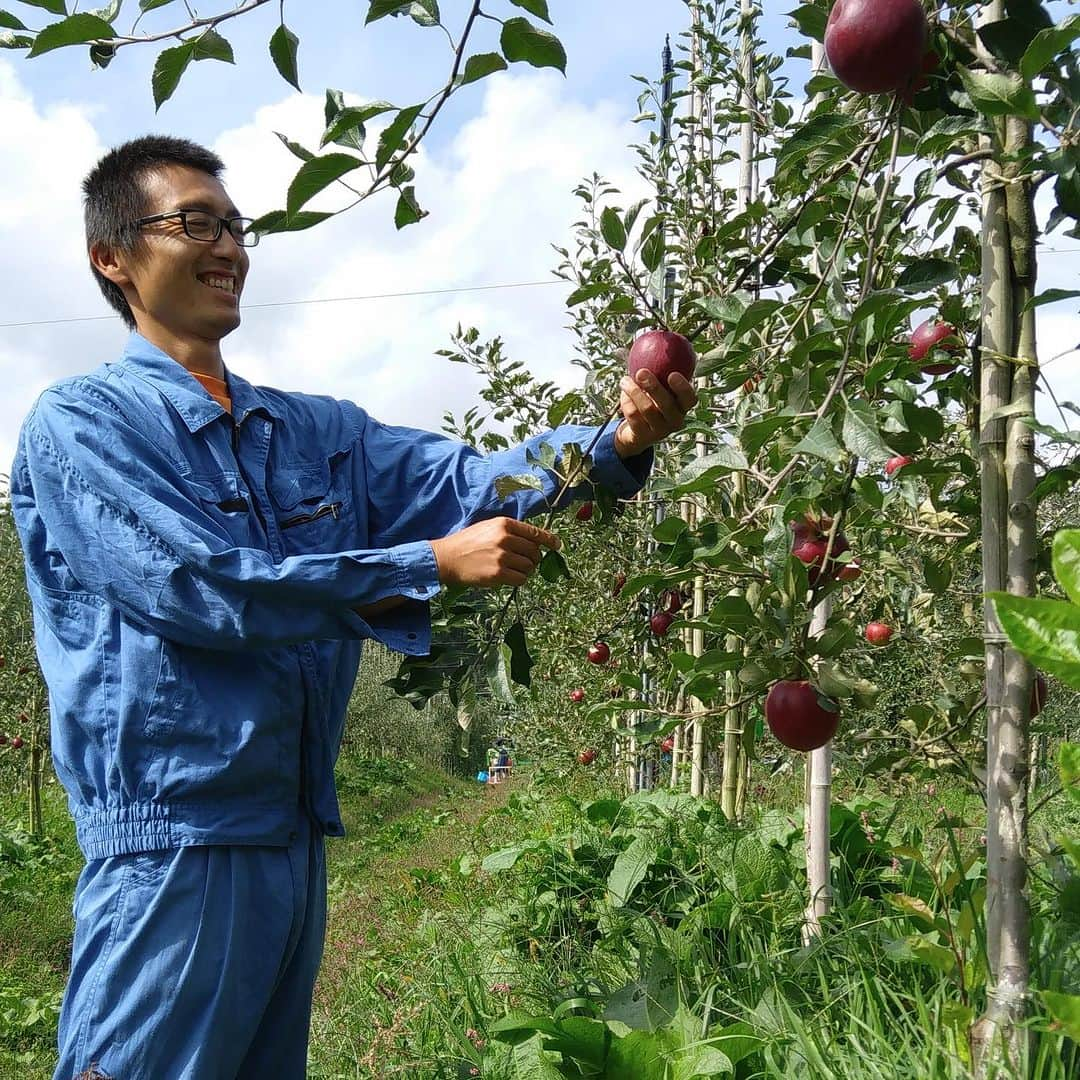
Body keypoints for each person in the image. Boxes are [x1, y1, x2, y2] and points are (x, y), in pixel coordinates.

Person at [9, 135, 696, 1080]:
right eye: (195, 223)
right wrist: (427, 565)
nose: (229, 248)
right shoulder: (82, 425)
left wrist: (615, 440)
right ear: (113, 257)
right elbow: (199, 584)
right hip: (174, 849)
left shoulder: (313, 433)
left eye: (236, 226)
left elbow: (462, 479)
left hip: (294, 841)